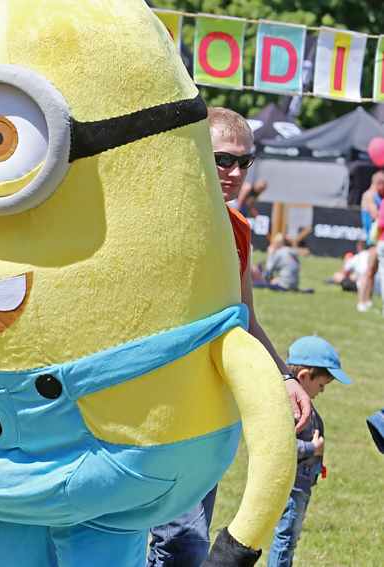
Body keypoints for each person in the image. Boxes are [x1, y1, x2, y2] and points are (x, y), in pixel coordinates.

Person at [147, 107, 312, 567]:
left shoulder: (238, 228)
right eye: (223, 159)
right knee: (151, 536)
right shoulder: (157, 217)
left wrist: (285, 378)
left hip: (205, 407)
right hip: (149, 399)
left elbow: (246, 318)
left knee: (184, 540)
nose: (236, 172)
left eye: (245, 161)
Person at [267, 336, 351, 567]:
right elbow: (283, 447)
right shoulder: (293, 409)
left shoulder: (301, 407)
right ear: (303, 376)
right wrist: (314, 448)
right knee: (286, 540)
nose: (322, 391)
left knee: (287, 540)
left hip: (298, 486)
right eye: (322, 384)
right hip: (292, 488)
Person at [358, 172, 384, 312]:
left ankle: (369, 301)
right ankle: (361, 302)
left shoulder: (378, 196)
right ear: (379, 183)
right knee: (369, 270)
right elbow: (375, 215)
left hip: (376, 237)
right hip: (372, 238)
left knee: (374, 271)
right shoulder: (369, 196)